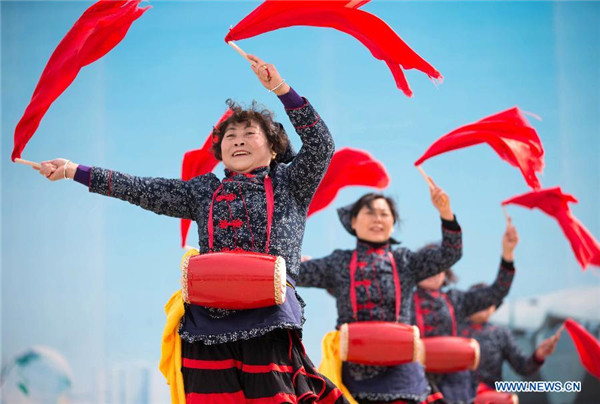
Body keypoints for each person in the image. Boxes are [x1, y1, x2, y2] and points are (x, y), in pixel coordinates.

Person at [36, 55, 348, 403]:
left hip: (269, 318)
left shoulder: (291, 183)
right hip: (206, 323)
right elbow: (141, 188)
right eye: (231, 136)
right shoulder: (203, 191)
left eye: (249, 134)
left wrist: (280, 89)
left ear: (274, 148)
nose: (239, 141)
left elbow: (321, 145)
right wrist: (73, 170)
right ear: (221, 150)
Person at [297, 188, 463, 403]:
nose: (377, 219)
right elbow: (292, 274)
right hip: (354, 373)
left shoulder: (406, 261)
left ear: (393, 223)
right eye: (369, 212)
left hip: (402, 373)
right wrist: (294, 262)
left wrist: (446, 213)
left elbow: (450, 253)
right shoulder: (338, 262)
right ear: (353, 222)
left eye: (384, 214)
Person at [412, 222, 519, 404]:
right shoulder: (403, 300)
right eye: (426, 265)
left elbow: (497, 292)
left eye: (438, 266)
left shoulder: (456, 300)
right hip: (416, 382)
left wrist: (508, 253)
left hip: (455, 386)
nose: (432, 271)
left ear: (446, 272)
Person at [464, 284, 562, 401]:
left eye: (489, 300)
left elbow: (523, 367)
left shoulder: (500, 334)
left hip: (491, 399)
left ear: (494, 306)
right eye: (478, 300)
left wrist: (539, 355)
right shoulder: (452, 329)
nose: (483, 304)